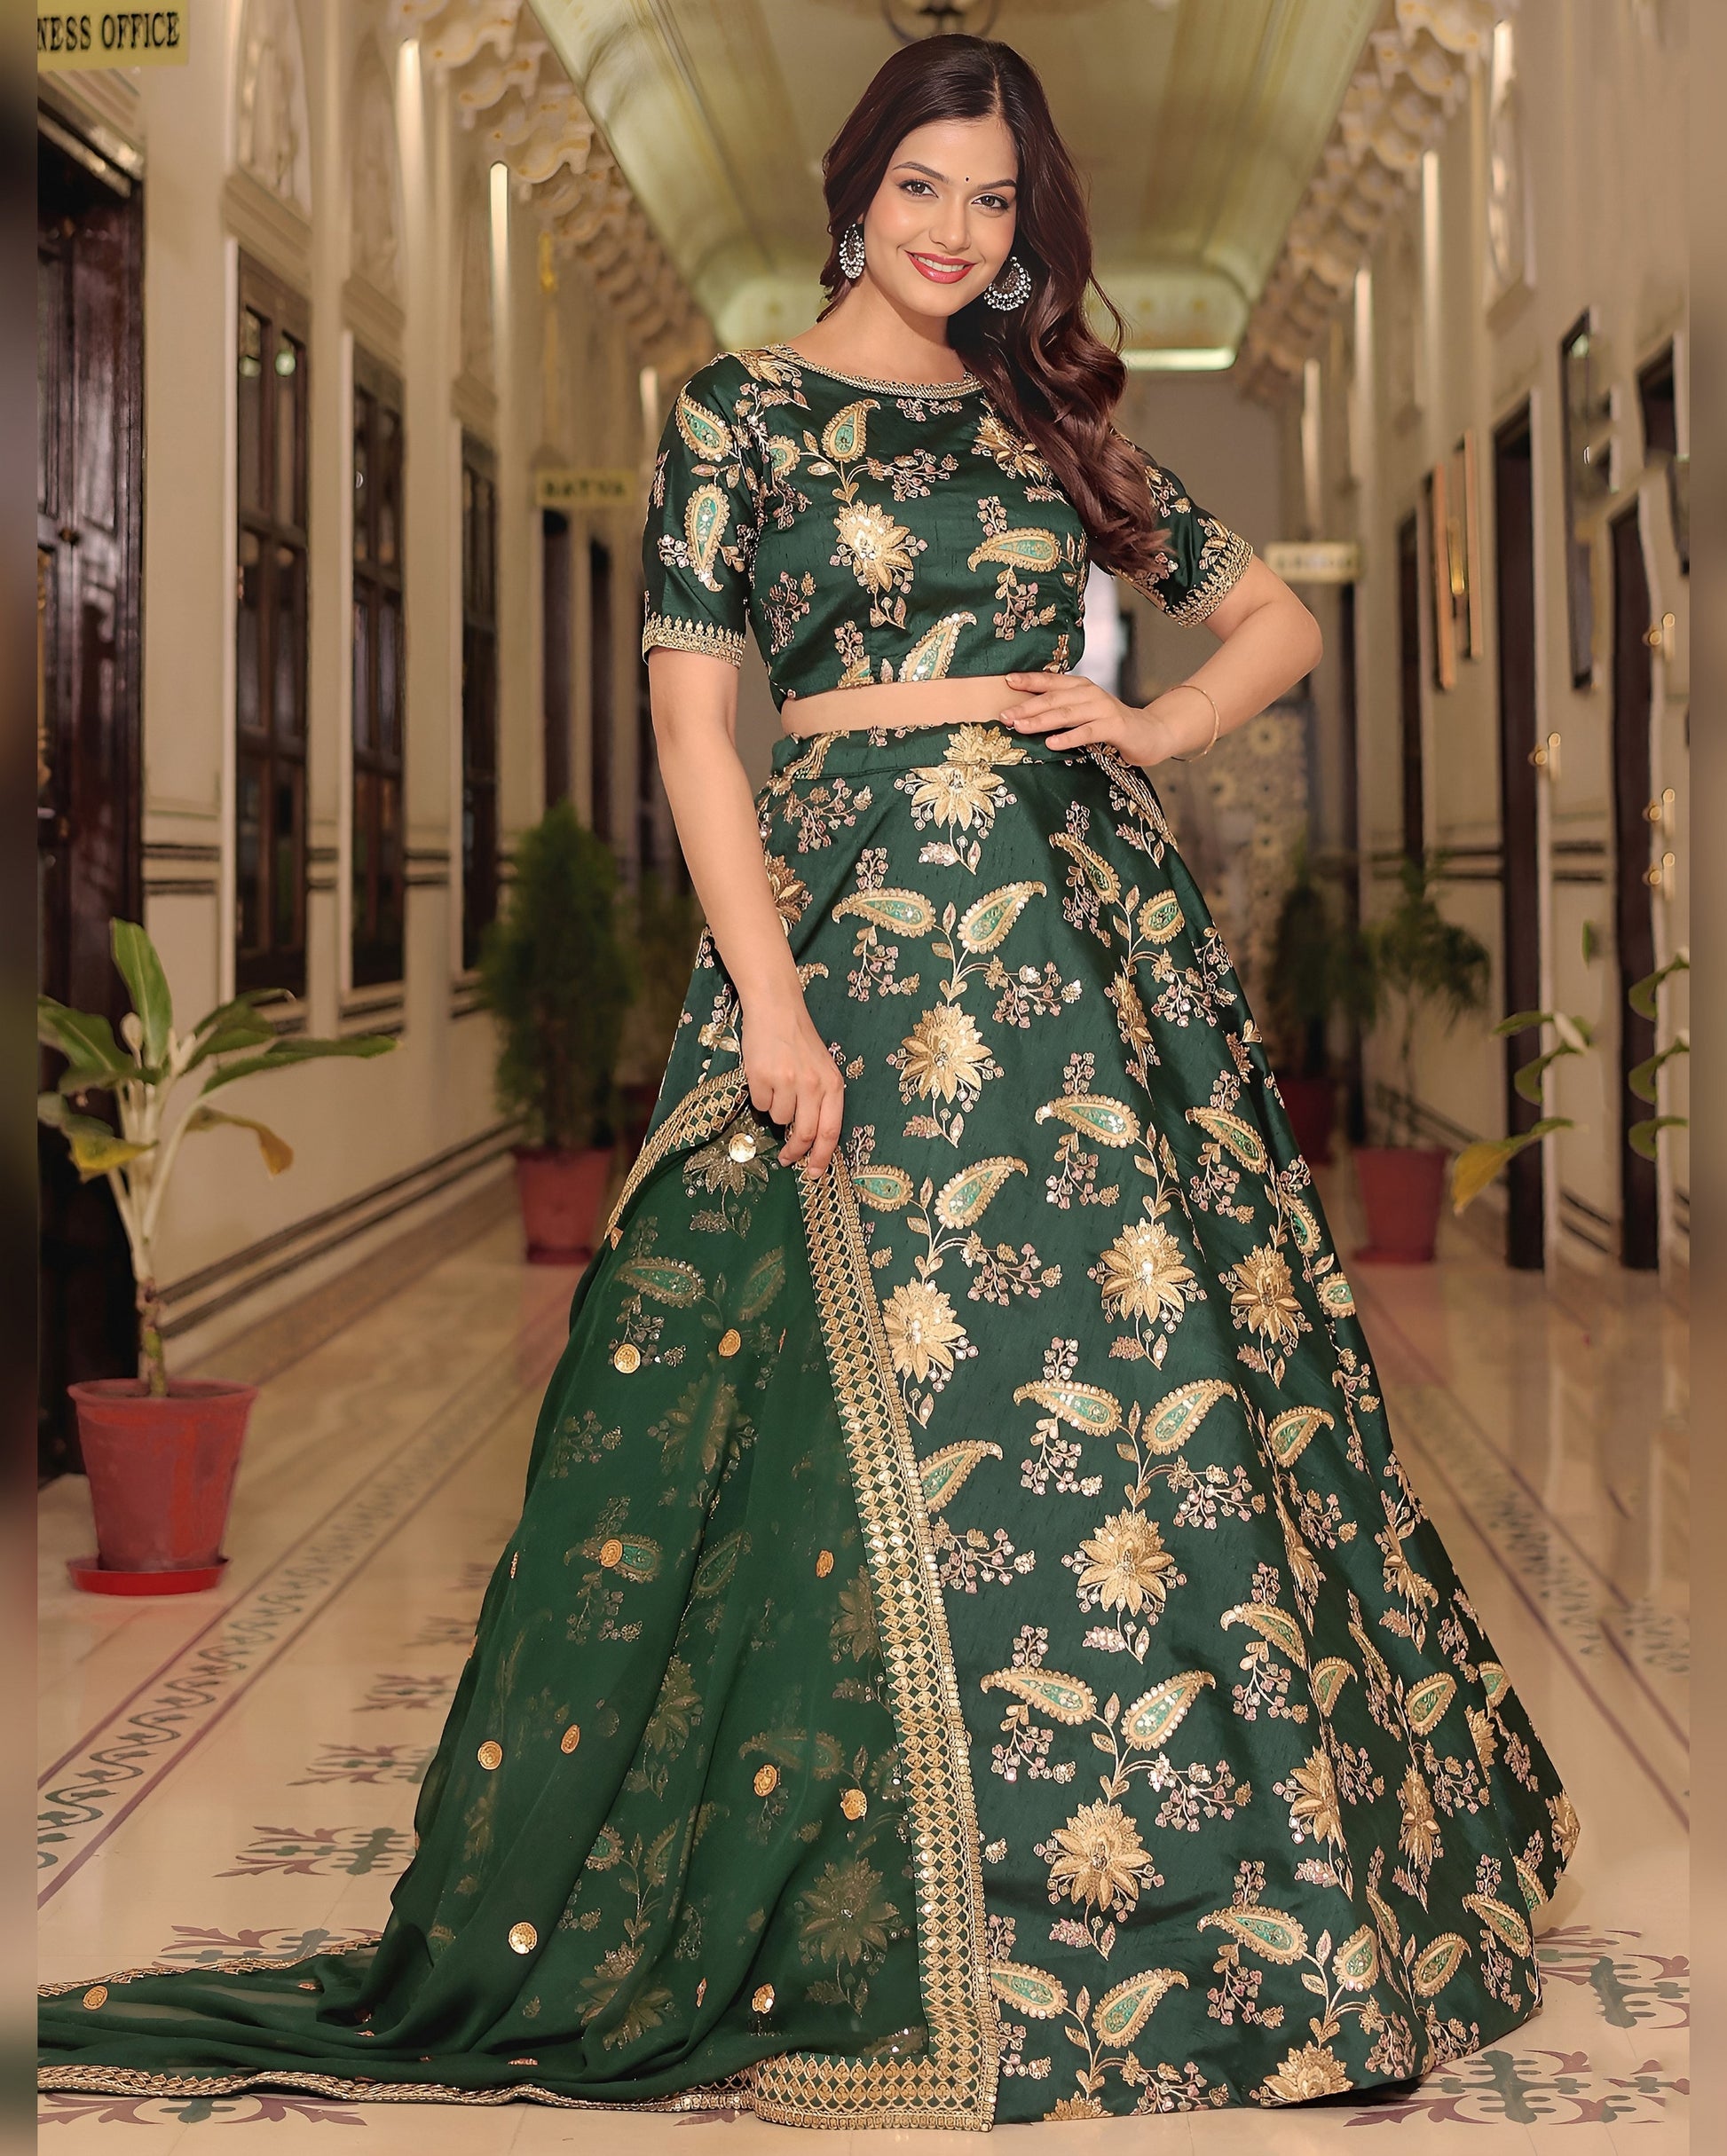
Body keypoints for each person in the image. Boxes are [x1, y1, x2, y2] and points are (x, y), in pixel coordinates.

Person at [42, 34, 1577, 2128]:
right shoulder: (738, 414)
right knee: (847, 1399)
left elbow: (1273, 623)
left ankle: (1202, 1895)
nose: (957, 230)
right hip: (849, 927)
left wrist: (1151, 727)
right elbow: (697, 726)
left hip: (1075, 960)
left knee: (1133, 1386)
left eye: (995, 201)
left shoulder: (1046, 417)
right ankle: (860, 1876)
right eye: (923, 188)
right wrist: (769, 999)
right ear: (853, 194)